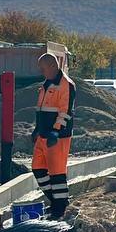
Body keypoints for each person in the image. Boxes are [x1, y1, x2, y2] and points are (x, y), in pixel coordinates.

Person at [32, 52, 76, 219]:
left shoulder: (66, 84)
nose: (41, 71)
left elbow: (66, 111)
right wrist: (37, 129)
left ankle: (59, 209)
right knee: (37, 168)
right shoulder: (47, 83)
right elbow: (41, 109)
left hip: (57, 137)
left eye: (43, 68)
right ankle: (58, 202)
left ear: (52, 66)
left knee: (57, 173)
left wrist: (56, 131)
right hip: (43, 135)